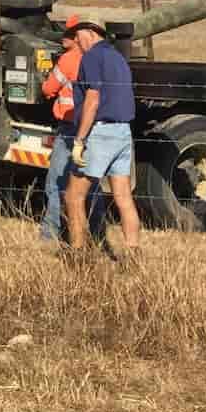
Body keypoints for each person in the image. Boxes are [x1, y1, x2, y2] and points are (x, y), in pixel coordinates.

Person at [63, 18, 140, 253]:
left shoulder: (92, 57)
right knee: (124, 198)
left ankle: (78, 256)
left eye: (78, 35)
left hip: (101, 133)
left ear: (91, 33)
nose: (76, 40)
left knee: (73, 196)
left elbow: (92, 99)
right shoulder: (118, 57)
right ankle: (133, 256)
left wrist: (80, 140)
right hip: (123, 132)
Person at [38, 16, 85, 241]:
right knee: (87, 182)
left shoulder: (67, 60)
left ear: (77, 37)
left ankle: (50, 234)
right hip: (89, 130)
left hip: (68, 129)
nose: (63, 37)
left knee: (56, 181)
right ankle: (90, 233)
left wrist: (43, 82)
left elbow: (48, 88)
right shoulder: (93, 59)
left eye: (67, 33)